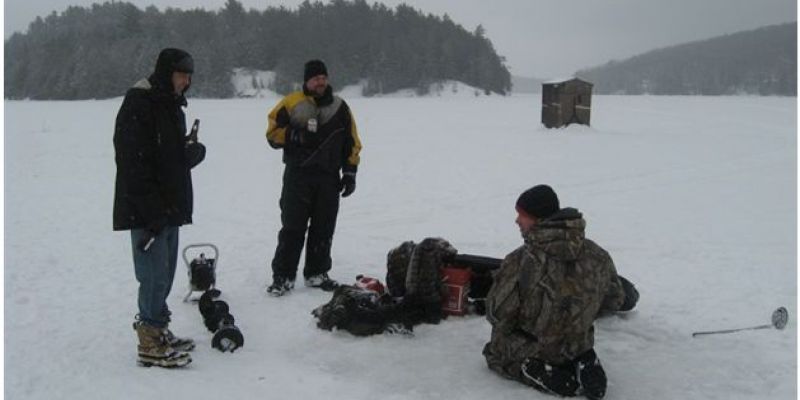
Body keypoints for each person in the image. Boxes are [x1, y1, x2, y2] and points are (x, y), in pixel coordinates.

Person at [483, 184, 633, 400]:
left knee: (494, 353)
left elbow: (498, 315)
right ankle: (584, 359)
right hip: (578, 343)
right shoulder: (597, 254)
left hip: (534, 348)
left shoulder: (520, 261)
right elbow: (614, 299)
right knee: (572, 342)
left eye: (522, 215)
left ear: (538, 219)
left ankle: (532, 369)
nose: (517, 221)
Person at [113, 48, 205, 368]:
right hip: (147, 208)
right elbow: (131, 161)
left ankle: (159, 329)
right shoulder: (140, 102)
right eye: (182, 74)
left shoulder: (170, 105)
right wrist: (151, 209)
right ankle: (149, 342)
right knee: (152, 276)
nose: (186, 81)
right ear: (167, 73)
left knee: (165, 274)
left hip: (169, 205)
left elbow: (166, 154)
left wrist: (189, 153)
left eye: (189, 75)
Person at [264, 59, 362, 297]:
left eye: (323, 77)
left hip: (329, 177)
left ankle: (317, 273)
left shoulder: (341, 107)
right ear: (306, 80)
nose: (321, 81)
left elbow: (352, 142)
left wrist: (350, 172)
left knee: (324, 227)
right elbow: (271, 134)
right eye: (316, 78)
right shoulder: (291, 103)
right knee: (292, 227)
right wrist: (295, 136)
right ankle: (283, 277)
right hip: (298, 175)